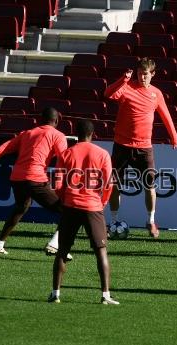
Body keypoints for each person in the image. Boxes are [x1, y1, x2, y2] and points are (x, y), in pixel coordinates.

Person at [0, 108, 68, 256]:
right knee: (68, 211)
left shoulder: (27, 134)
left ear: (39, 120)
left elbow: (0, 149)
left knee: (21, 207)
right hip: (35, 179)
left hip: (17, 179)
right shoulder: (58, 136)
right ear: (56, 121)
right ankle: (54, 244)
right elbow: (63, 161)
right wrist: (61, 185)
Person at [104, 57, 177, 238]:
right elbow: (108, 94)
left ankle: (151, 221)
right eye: (139, 73)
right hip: (122, 145)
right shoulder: (127, 87)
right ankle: (113, 221)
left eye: (145, 74)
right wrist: (123, 79)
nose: (142, 77)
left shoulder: (156, 94)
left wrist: (174, 136)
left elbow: (166, 116)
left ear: (152, 74)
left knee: (150, 185)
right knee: (114, 184)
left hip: (144, 147)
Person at [48, 119, 119, 305]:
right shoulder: (103, 154)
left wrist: (64, 200)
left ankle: (55, 294)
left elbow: (57, 183)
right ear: (92, 134)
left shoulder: (66, 153)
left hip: (71, 206)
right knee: (101, 251)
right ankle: (105, 295)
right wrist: (101, 201)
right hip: (93, 207)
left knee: (62, 251)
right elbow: (109, 184)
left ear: (76, 133)